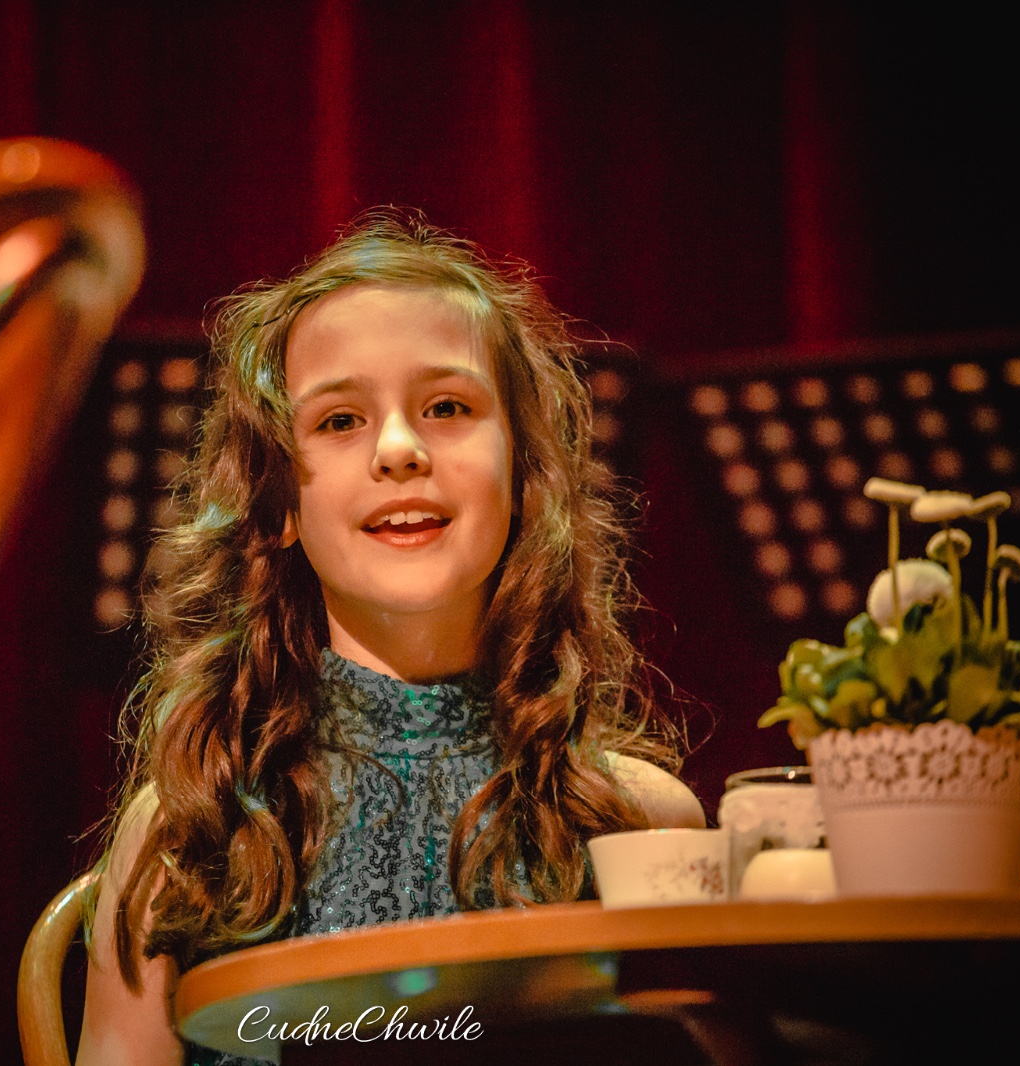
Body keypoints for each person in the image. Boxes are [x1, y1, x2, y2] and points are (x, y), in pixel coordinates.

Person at [75, 212, 704, 1065]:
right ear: (279, 503)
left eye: (447, 407)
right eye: (340, 421)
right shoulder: (194, 828)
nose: (401, 450)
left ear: (523, 475)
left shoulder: (637, 823)